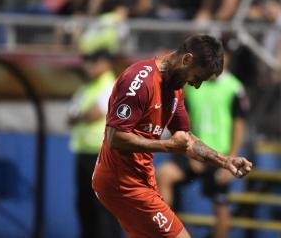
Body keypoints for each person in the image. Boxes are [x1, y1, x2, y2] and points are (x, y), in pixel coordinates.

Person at [92, 34, 253, 238]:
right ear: (186, 60)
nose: (196, 85)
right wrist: (167, 146)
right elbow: (116, 137)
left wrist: (225, 160)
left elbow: (186, 139)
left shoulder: (175, 90)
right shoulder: (140, 80)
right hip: (122, 182)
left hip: (140, 179)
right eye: (197, 77)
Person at [157, 47, 249, 238]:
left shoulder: (233, 87)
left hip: (219, 155)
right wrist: (189, 153)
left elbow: (239, 128)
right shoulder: (193, 85)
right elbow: (182, 122)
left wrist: (228, 160)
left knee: (222, 211)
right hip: (193, 151)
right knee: (164, 174)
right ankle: (166, 232)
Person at [68, 50, 122, 238]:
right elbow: (69, 117)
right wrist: (81, 115)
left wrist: (79, 116)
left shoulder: (111, 84)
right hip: (84, 153)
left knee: (103, 205)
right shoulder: (87, 88)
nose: (88, 66)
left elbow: (93, 114)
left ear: (106, 63)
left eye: (94, 62)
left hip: (103, 155)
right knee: (84, 204)